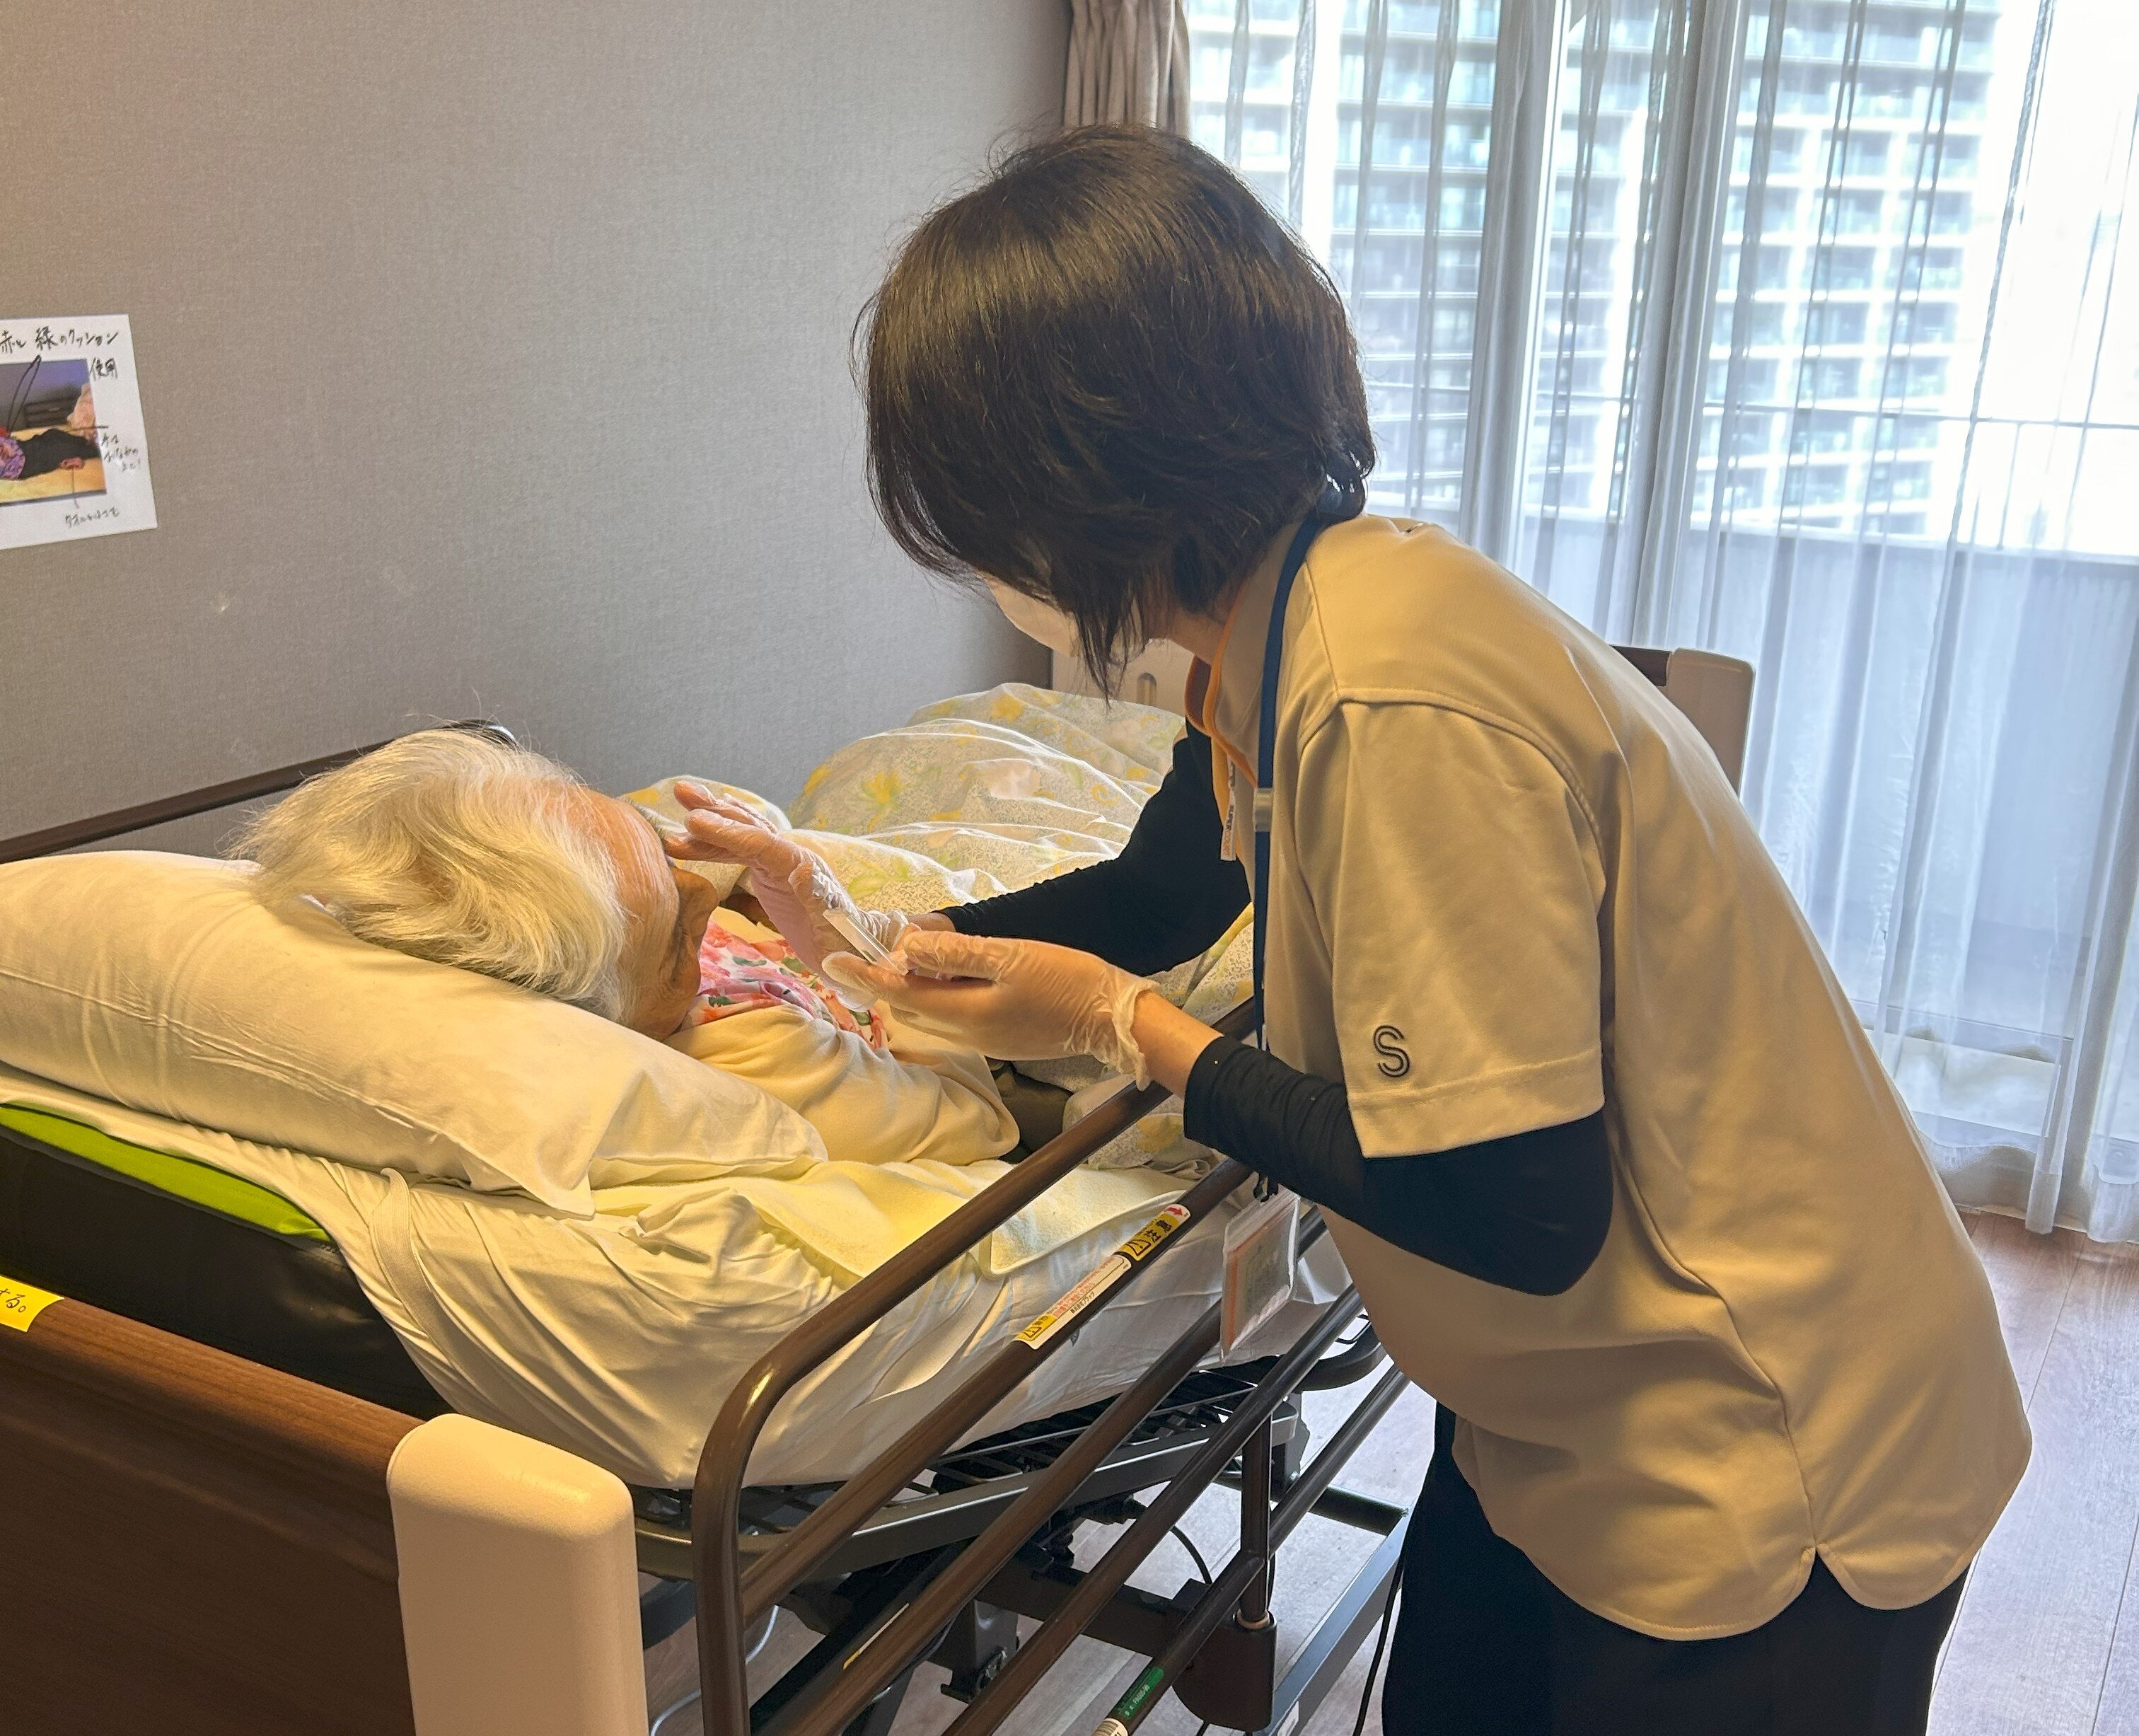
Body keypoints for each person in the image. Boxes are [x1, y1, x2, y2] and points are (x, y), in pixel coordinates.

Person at [668, 127, 2029, 1734]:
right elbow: (1161, 894)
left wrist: (1130, 1029)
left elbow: (1513, 1205)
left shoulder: (1389, 691)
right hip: (1558, 1403)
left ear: (1074, 481)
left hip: (1760, 1447)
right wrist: (859, 926)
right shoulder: (1285, 630)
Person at [235, 728, 1015, 1167]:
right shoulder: (761, 1050)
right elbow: (979, 1125)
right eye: (679, 932)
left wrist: (780, 895)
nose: (704, 893)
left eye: (661, 851)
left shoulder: (612, 958)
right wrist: (901, 984)